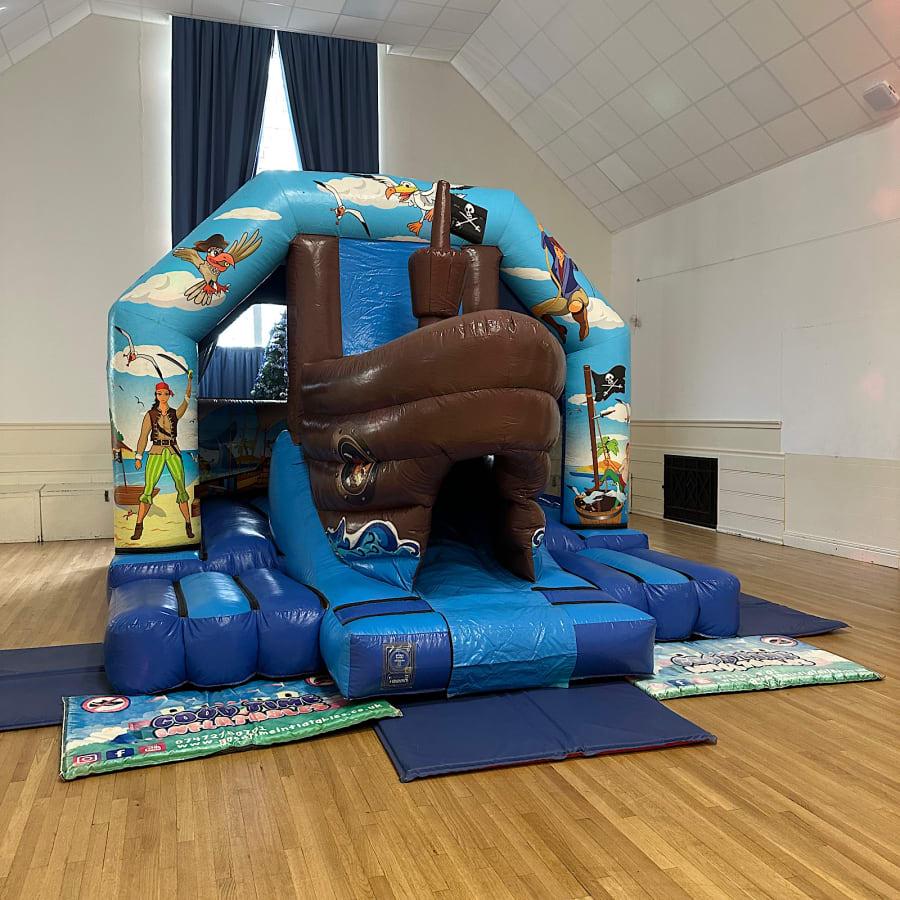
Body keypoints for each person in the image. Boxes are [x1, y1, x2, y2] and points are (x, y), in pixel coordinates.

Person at [131, 372, 193, 541]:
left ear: (169, 394)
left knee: (181, 487)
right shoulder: (150, 415)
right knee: (148, 488)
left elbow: (186, 399)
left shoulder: (174, 413)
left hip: (173, 451)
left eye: (165, 393)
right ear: (156, 395)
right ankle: (138, 526)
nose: (163, 396)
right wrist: (138, 456)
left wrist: (189, 381)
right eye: (160, 393)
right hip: (156, 451)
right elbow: (143, 436)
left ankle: (188, 525)